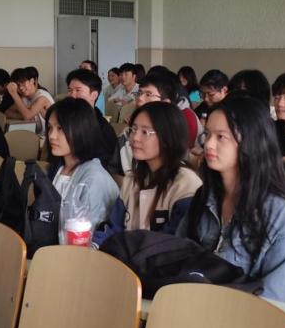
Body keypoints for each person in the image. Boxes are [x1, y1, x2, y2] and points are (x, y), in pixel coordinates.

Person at [180, 95, 285, 304]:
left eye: (221, 137)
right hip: (192, 307)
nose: (208, 144)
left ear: (250, 142)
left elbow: (280, 301)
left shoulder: (277, 213)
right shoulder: (205, 196)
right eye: (207, 134)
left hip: (245, 318)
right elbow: (177, 258)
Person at [100, 101, 201, 240]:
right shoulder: (132, 180)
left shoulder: (186, 185)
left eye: (145, 132)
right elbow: (112, 228)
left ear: (168, 136)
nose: (135, 138)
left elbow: (174, 243)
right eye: (133, 129)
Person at [44, 98, 121, 241]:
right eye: (50, 128)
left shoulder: (94, 179)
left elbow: (84, 239)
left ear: (81, 130)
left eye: (60, 128)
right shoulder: (56, 168)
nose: (51, 136)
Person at [109, 70, 186, 175]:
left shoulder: (174, 136)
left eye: (148, 94)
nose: (140, 98)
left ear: (165, 103)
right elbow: (113, 170)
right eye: (139, 93)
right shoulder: (126, 136)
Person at [66, 68, 117, 166]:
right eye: (70, 90)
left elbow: (102, 165)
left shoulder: (103, 130)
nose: (72, 95)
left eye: (77, 90)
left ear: (94, 95)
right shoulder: (65, 121)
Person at [5, 66, 55, 139]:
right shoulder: (25, 98)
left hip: (48, 136)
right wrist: (22, 115)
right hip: (36, 135)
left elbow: (27, 116)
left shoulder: (42, 96)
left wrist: (14, 93)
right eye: (18, 85)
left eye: (23, 83)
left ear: (32, 81)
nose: (21, 88)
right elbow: (7, 112)